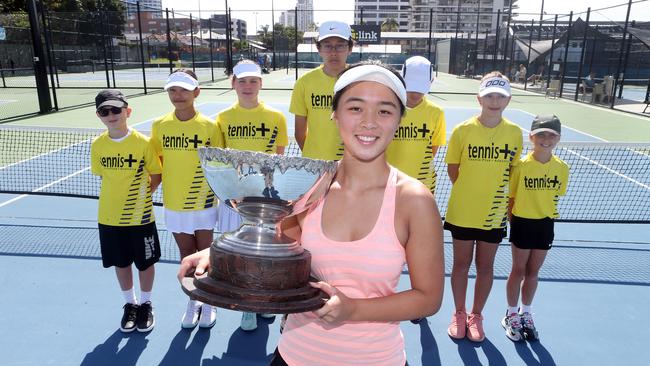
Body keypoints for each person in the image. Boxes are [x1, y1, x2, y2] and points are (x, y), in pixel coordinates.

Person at [178, 62, 445, 365]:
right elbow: (275, 248)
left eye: (384, 110)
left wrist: (353, 308)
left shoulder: (414, 201)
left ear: (399, 120)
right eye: (355, 108)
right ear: (335, 115)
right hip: (294, 354)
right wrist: (221, 256)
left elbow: (428, 297)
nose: (369, 122)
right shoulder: (307, 188)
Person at [444, 71, 523, 342]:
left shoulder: (514, 133)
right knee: (461, 265)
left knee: (486, 267)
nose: (494, 100)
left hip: (495, 214)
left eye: (500, 96)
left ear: (508, 100)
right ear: (479, 98)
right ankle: (458, 313)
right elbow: (453, 170)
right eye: (489, 95)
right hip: (463, 210)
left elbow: (513, 171)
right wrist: (471, 191)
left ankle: (476, 316)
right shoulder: (462, 130)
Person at [215, 59, 288, 331]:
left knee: (265, 254)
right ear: (233, 83)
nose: (248, 86)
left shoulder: (276, 118)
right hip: (235, 198)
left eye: (253, 81)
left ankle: (263, 298)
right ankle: (247, 304)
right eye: (242, 81)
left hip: (264, 198)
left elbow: (278, 160)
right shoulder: (222, 119)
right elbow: (220, 160)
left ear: (261, 84)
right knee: (241, 253)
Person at [150, 69, 224, 329]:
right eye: (172, 90)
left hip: (203, 202)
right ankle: (193, 300)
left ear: (196, 92)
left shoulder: (210, 126)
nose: (177, 95)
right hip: (174, 203)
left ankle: (209, 300)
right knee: (185, 255)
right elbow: (156, 165)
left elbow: (217, 164)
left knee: (205, 255)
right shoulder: (159, 125)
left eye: (183, 89)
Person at [90, 89, 162, 333]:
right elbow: (103, 175)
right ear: (98, 115)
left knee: (145, 263)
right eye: (104, 111)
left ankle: (145, 303)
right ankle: (130, 305)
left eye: (116, 109)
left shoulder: (143, 143)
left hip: (140, 217)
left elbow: (156, 175)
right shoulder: (98, 145)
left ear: (127, 111)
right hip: (109, 217)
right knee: (121, 263)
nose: (111, 115)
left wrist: (141, 199)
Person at [502, 115, 569, 342]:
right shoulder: (520, 166)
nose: (546, 139)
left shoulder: (562, 168)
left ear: (558, 138)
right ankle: (511, 314)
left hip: (545, 224)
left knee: (533, 272)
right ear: (532, 137)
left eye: (551, 135)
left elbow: (556, 195)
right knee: (518, 270)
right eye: (541, 134)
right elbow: (511, 198)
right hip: (522, 222)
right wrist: (515, 222)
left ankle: (526, 313)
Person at [290, 20, 353, 160]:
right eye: (327, 46)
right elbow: (299, 132)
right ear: (319, 48)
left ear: (350, 48)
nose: (333, 52)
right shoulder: (304, 83)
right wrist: (314, 157)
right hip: (315, 165)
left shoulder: (360, 80)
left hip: (352, 164)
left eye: (340, 46)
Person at [387, 55, 446, 197]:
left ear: (431, 81)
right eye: (412, 85)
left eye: (420, 87)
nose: (415, 93)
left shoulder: (436, 113)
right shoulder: (388, 107)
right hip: (389, 181)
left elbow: (434, 148)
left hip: (423, 184)